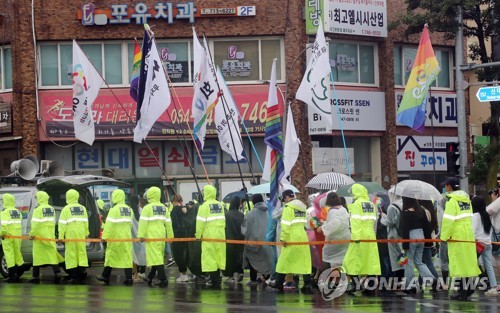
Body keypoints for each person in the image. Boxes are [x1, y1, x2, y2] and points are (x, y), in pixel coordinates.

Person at [440, 177, 481, 300]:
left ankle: (461, 292)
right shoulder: (466, 201)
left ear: (449, 187)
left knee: (458, 263)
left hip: (457, 235)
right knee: (467, 262)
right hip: (468, 234)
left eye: (446, 186)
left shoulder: (452, 202)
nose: (445, 188)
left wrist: (444, 237)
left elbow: (448, 221)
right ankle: (469, 288)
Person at [342, 184, 381, 290]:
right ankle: (371, 285)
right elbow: (375, 221)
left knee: (350, 261)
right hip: (370, 234)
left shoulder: (356, 205)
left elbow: (355, 222)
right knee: (370, 261)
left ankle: (355, 284)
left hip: (359, 235)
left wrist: (355, 237)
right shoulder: (371, 204)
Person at [275, 189, 312, 293]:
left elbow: (285, 225)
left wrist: (283, 238)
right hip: (302, 235)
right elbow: (307, 223)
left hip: (291, 235)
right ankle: (307, 284)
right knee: (305, 260)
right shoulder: (302, 207)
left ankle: (279, 283)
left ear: (287, 197)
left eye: (284, 199)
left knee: (284, 260)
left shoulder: (288, 208)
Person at [138, 187, 173, 288]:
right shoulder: (164, 208)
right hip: (161, 235)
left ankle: (163, 279)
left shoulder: (147, 208)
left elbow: (143, 223)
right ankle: (150, 277)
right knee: (157, 256)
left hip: (151, 236)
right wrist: (170, 236)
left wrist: (141, 235)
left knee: (156, 258)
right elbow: (169, 224)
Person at [97, 189, 134, 286]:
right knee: (127, 257)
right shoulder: (129, 209)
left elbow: (109, 225)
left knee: (110, 255)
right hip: (127, 236)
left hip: (115, 237)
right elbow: (130, 224)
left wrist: (104, 237)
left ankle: (105, 276)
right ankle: (129, 278)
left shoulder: (114, 210)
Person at [399, 196, 436, 293]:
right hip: (421, 236)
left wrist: (405, 244)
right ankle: (432, 279)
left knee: (409, 262)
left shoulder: (406, 213)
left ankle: (410, 286)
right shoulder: (421, 211)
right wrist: (429, 240)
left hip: (411, 237)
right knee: (419, 261)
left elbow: (405, 229)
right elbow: (427, 226)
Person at [28, 191, 64, 284]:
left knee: (37, 256)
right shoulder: (51, 209)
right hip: (49, 236)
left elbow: (35, 224)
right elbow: (53, 222)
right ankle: (57, 273)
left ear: (40, 198)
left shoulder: (38, 209)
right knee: (51, 255)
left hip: (39, 237)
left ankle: (35, 276)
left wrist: (32, 234)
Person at [196, 185, 226, 288]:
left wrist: (198, 236)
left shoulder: (204, 206)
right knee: (218, 257)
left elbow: (200, 223)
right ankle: (216, 280)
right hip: (221, 236)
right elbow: (223, 221)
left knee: (211, 258)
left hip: (209, 236)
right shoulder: (220, 205)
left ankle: (214, 282)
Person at [241, 194, 274, 286]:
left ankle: (253, 279)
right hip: (268, 241)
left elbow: (244, 230)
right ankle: (266, 276)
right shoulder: (269, 212)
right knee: (266, 260)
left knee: (254, 261)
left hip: (254, 243)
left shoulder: (250, 214)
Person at [58, 189, 89, 284]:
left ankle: (73, 276)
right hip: (81, 234)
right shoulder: (82, 208)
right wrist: (86, 234)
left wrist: (60, 237)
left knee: (71, 254)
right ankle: (81, 274)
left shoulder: (66, 209)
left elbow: (62, 224)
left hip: (70, 235)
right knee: (81, 253)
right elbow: (85, 222)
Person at [471, 195, 499, 296]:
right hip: (488, 243)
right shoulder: (486, 215)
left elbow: (472, 232)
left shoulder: (475, 216)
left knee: (471, 264)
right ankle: (494, 286)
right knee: (488, 266)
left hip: (478, 244)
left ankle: (468, 286)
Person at [316, 192, 350, 269]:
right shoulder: (343, 209)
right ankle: (342, 278)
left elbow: (335, 223)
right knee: (341, 261)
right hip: (345, 239)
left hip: (334, 240)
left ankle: (328, 277)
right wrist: (325, 223)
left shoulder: (332, 211)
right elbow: (339, 222)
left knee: (327, 259)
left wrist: (322, 228)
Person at [170, 194, 197, 283]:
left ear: (173, 201)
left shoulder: (174, 210)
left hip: (177, 235)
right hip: (187, 235)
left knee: (178, 255)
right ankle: (194, 272)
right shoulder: (186, 209)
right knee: (188, 254)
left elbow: (173, 224)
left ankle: (183, 274)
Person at [0, 193, 24, 283]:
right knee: (17, 253)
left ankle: (12, 276)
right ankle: (19, 272)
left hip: (8, 236)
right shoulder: (17, 212)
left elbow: (4, 226)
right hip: (17, 236)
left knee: (9, 255)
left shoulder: (4, 212)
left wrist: (1, 234)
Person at [381, 193, 405, 280]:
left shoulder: (392, 207)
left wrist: (382, 217)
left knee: (395, 260)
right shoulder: (404, 204)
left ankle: (398, 279)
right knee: (402, 258)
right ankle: (402, 278)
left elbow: (388, 222)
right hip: (403, 235)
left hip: (393, 236)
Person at [419, 199, 439, 289]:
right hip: (430, 240)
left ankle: (436, 280)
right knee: (422, 262)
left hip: (426, 240)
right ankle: (420, 282)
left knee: (427, 262)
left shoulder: (424, 211)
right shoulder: (432, 212)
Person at [224, 196, 245, 283]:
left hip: (229, 239)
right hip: (240, 239)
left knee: (230, 258)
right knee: (239, 257)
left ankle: (230, 276)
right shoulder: (241, 214)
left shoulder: (227, 215)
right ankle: (240, 272)